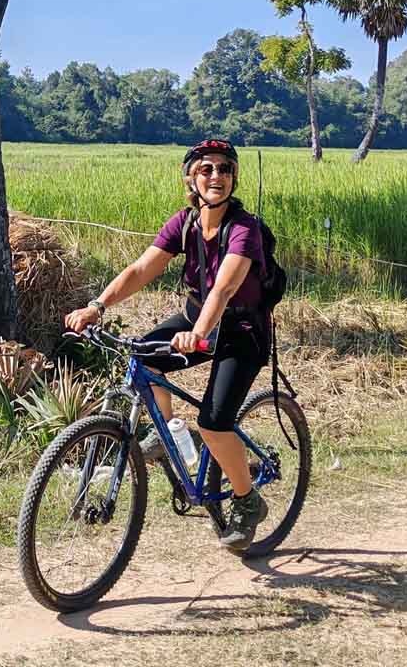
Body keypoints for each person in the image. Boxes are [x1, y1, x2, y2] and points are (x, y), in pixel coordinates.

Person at [65, 139, 270, 551]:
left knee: (214, 423)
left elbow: (225, 287)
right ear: (191, 178)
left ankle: (248, 503)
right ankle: (168, 431)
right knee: (145, 356)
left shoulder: (244, 229)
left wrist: (200, 332)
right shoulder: (186, 223)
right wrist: (97, 306)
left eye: (225, 169)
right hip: (199, 319)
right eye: (206, 169)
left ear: (234, 177)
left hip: (242, 332)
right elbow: (142, 268)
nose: (217, 176)